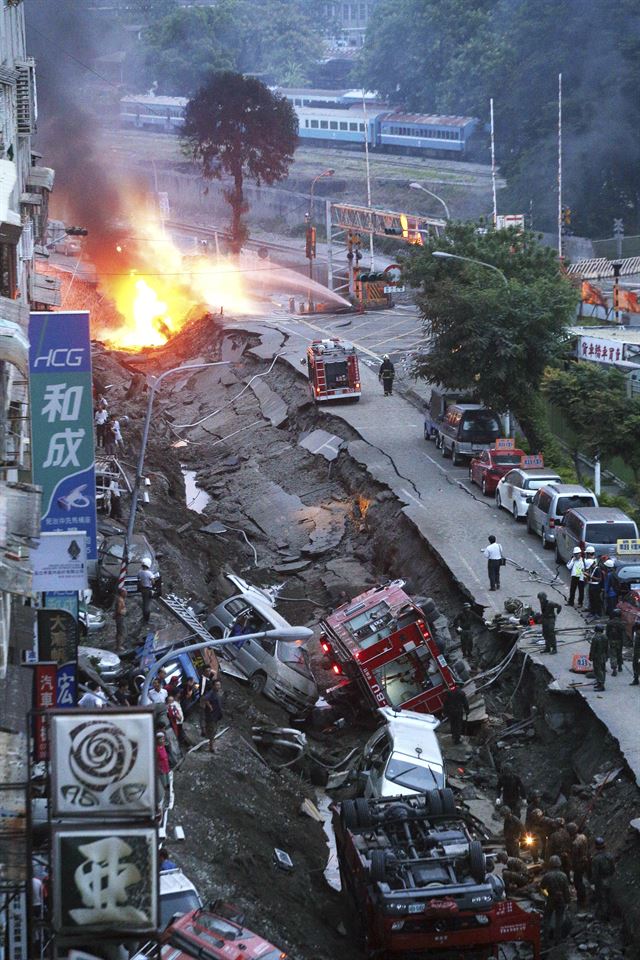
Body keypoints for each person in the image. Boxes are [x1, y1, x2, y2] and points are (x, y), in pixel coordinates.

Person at [539, 855, 571, 943]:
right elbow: (566, 890)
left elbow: (542, 888)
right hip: (561, 899)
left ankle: (546, 939)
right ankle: (558, 939)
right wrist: (568, 901)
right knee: (559, 919)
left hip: (550, 899)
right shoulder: (563, 876)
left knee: (547, 918)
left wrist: (547, 895)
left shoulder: (547, 876)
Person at [591, 837, 615, 920]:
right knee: (609, 897)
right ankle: (610, 914)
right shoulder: (610, 856)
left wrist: (593, 883)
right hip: (609, 879)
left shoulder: (596, 859)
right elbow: (613, 869)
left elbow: (595, 873)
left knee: (602, 899)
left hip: (601, 881)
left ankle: (604, 917)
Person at [567, 822, 590, 907]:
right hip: (585, 861)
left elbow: (574, 857)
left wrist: (572, 866)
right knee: (581, 880)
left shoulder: (575, 843)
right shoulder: (583, 836)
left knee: (578, 882)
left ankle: (581, 900)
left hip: (579, 864)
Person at [201, 681, 223, 752]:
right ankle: (211, 747)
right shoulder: (211, 693)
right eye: (217, 685)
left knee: (214, 731)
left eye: (219, 685)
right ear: (213, 686)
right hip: (211, 716)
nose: (218, 686)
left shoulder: (216, 693)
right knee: (212, 731)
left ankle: (211, 746)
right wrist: (209, 706)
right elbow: (205, 698)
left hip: (216, 716)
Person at [606, 608, 625, 676]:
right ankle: (620, 666)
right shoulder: (622, 623)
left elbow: (607, 633)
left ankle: (614, 669)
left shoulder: (609, 623)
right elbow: (624, 632)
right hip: (620, 641)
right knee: (619, 653)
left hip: (612, 641)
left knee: (613, 655)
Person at [589, 624, 608, 691]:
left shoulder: (595, 638)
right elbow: (607, 648)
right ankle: (600, 683)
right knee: (602, 670)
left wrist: (591, 656)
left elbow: (593, 649)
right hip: (603, 656)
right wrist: (607, 656)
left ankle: (601, 685)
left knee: (598, 670)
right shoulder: (605, 637)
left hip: (597, 657)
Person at [585, 550, 604, 617]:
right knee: (591, 600)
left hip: (596, 587)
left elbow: (599, 579)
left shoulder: (597, 569)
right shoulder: (591, 569)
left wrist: (590, 576)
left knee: (596, 600)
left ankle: (598, 613)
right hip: (591, 585)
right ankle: (592, 612)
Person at [137, 558, 154, 623]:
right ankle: (146, 618)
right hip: (148, 589)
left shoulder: (140, 572)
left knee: (144, 602)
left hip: (142, 589)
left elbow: (138, 578)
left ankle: (144, 616)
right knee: (147, 603)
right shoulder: (149, 573)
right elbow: (153, 582)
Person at [156, 731, 171, 798]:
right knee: (163, 783)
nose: (162, 740)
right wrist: (159, 768)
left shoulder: (163, 747)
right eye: (161, 739)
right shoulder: (156, 749)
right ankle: (164, 797)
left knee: (168, 782)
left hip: (166, 766)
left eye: (163, 739)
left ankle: (169, 794)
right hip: (161, 768)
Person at [632, 619, 640, 686]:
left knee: (636, 665)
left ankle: (636, 679)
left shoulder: (637, 635)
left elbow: (636, 645)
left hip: (637, 653)